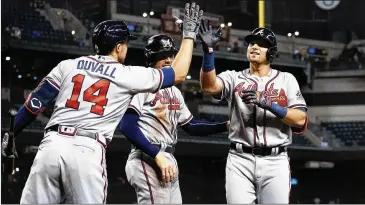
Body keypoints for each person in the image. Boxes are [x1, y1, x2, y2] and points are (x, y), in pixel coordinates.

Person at [1, 3, 203, 203]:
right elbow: (179, 73)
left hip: (51, 146)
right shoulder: (127, 74)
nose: (126, 47)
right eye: (125, 43)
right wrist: (189, 35)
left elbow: (33, 105)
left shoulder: (68, 66)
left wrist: (10, 135)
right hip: (87, 150)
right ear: (118, 47)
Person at [198, 21, 308, 204]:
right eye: (252, 43)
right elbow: (209, 87)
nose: (255, 46)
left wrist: (268, 103)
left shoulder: (287, 80)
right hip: (240, 159)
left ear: (271, 52)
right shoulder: (233, 77)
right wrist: (208, 53)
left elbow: (299, 119)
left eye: (261, 44)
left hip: (275, 161)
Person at [120, 34, 229, 204]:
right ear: (151, 57)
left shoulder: (175, 92)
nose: (169, 60)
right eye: (162, 56)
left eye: (171, 55)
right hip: (147, 157)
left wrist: (225, 126)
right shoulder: (143, 84)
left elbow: (191, 125)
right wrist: (156, 154)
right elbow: (127, 126)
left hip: (168, 157)